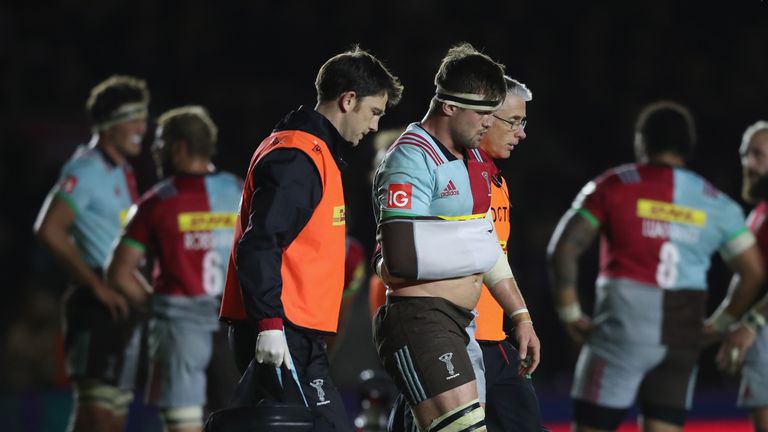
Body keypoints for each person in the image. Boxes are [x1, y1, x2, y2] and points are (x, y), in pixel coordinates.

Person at [546, 101, 765, 432]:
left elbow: (563, 249)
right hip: (681, 338)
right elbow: (753, 272)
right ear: (688, 146)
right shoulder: (716, 203)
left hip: (622, 331)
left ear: (641, 141)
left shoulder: (612, 185)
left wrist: (570, 314)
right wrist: (720, 324)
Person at [218, 46, 402, 431]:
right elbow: (259, 244)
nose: (373, 126)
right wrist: (269, 324)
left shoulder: (306, 149)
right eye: (374, 112)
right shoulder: (298, 157)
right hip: (281, 327)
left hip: (293, 329)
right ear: (348, 100)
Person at [372, 44, 539, 432]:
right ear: (449, 106)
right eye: (482, 113)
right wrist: (473, 249)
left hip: (463, 324)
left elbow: (487, 248)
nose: (488, 124)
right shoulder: (410, 159)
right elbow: (397, 263)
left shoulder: (474, 161)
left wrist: (520, 316)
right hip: (420, 321)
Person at [106, 106, 242, 432]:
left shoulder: (156, 202)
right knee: (238, 422)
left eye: (160, 143)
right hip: (234, 327)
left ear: (179, 146)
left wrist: (156, 305)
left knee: (184, 425)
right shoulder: (240, 190)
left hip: (179, 328)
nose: (154, 150)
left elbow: (119, 271)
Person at [33, 75, 149, 432]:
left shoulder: (122, 171)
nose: (142, 128)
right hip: (95, 304)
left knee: (102, 418)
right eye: (134, 118)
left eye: (144, 118)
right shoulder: (85, 169)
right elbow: (49, 229)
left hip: (119, 307)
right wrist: (96, 286)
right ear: (110, 124)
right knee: (100, 417)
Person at [713, 120, 768, 432]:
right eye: (745, 154)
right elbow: (748, 281)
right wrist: (717, 328)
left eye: (758, 155)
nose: (748, 163)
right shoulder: (759, 213)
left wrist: (749, 326)